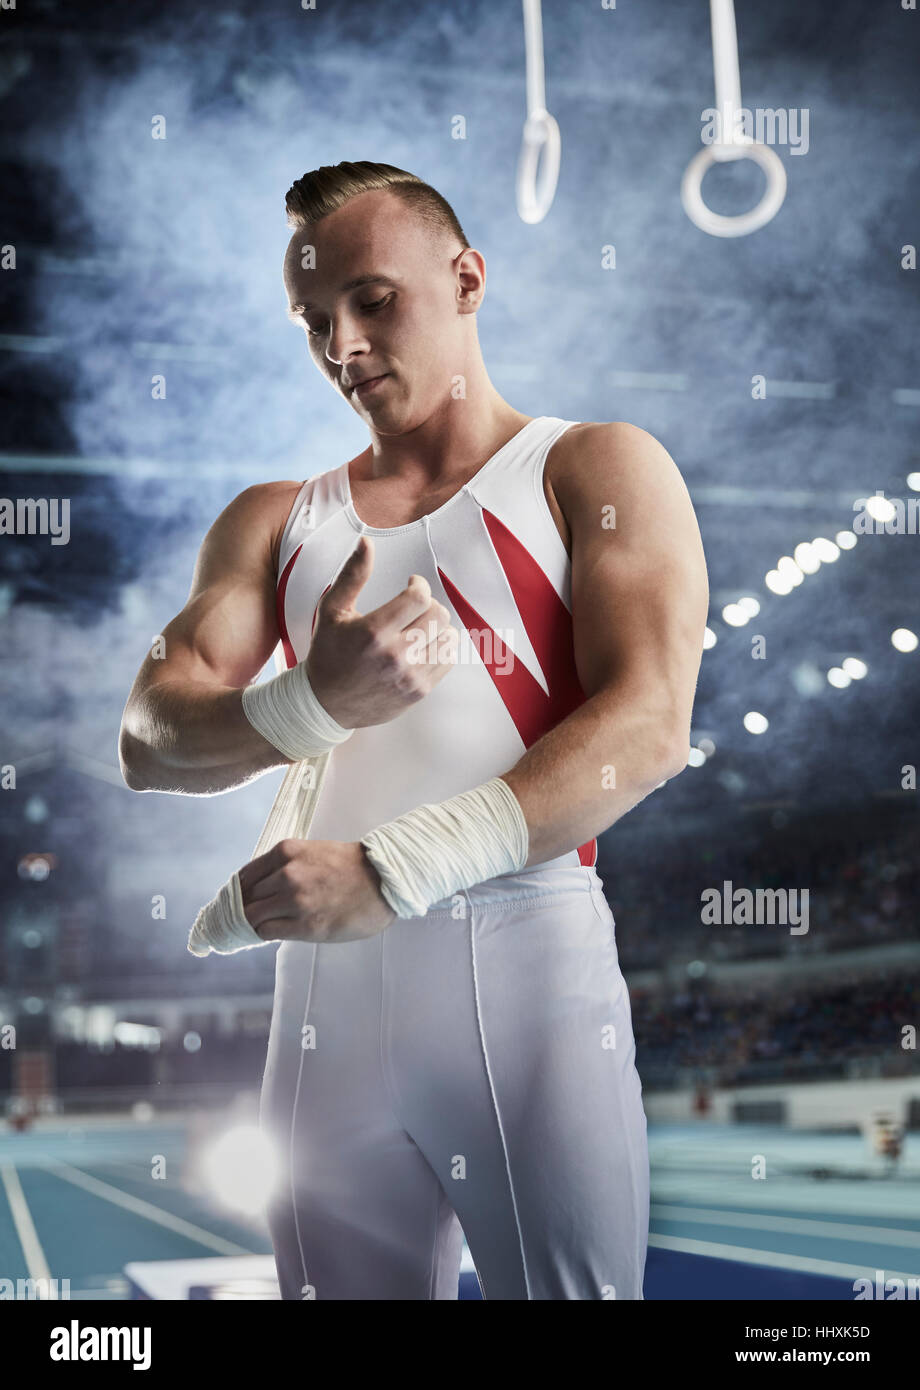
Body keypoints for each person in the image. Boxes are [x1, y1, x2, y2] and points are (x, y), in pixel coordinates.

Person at [119, 160, 709, 1299]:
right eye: (312, 322)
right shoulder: (274, 519)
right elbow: (149, 737)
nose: (342, 345)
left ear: (467, 278)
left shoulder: (591, 467)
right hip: (319, 995)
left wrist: (396, 868)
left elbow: (648, 723)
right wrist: (310, 703)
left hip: (520, 953)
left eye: (371, 300)